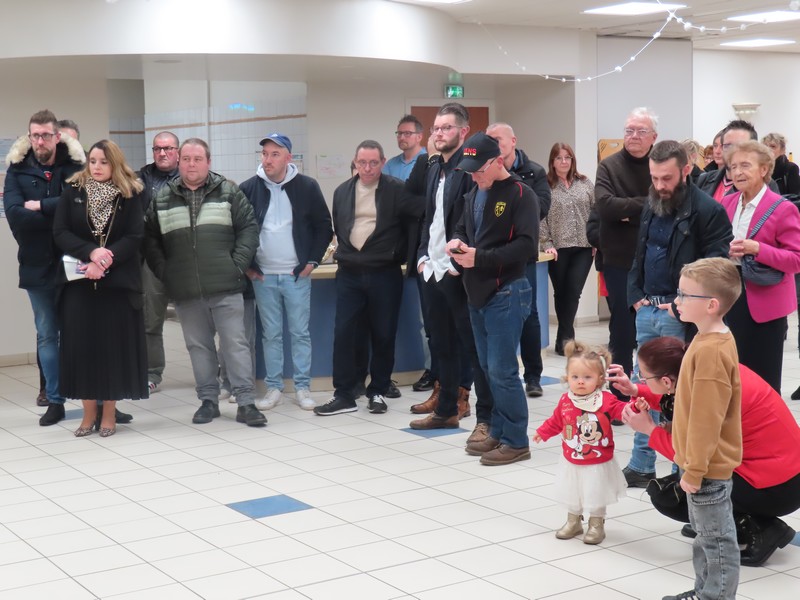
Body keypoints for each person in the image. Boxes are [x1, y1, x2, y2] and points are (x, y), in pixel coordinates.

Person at [611, 336, 800, 567]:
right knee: (680, 488)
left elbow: (693, 457)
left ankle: (763, 529)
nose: (641, 379)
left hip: (775, 488)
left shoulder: (707, 396)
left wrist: (650, 430)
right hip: (784, 476)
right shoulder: (710, 372)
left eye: (643, 376)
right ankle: (723, 523)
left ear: (666, 380)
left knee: (671, 497)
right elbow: (676, 397)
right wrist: (635, 390)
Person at [624, 140, 732, 487]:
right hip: (647, 308)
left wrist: (680, 305)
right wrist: (635, 296)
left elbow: (717, 269)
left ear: (686, 170)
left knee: (678, 395)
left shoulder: (708, 211)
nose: (659, 185)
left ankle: (679, 468)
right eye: (654, 177)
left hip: (679, 313)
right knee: (644, 388)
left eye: (667, 178)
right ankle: (641, 465)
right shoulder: (651, 202)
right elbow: (640, 253)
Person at [143, 138, 266, 427]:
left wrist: (236, 266)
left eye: (197, 159)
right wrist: (166, 271)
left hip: (226, 285)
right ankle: (208, 401)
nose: (191, 164)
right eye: (186, 159)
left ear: (208, 162)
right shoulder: (163, 199)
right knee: (198, 347)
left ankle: (246, 402)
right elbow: (150, 239)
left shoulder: (229, 192)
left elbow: (249, 228)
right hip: (186, 289)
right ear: (179, 162)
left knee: (235, 345)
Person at [444, 131, 538, 465]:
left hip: (507, 291)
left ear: (497, 161)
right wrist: (457, 243)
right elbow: (461, 228)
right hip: (477, 293)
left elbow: (527, 246)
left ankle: (516, 441)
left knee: (503, 370)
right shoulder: (474, 192)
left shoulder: (520, 194)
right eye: (469, 172)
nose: (474, 177)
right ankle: (498, 431)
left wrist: (479, 257)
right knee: (486, 369)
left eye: (479, 170)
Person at [314, 140, 423, 416]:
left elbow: (414, 222)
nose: (367, 168)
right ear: (355, 162)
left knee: (384, 333)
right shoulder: (342, 192)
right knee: (344, 334)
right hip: (349, 273)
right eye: (362, 162)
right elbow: (340, 227)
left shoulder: (397, 189)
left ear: (383, 163)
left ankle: (378, 391)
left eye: (374, 163)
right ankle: (344, 394)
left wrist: (403, 255)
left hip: (384, 272)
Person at [53, 140, 148, 437]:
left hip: (117, 287)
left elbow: (134, 237)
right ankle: (88, 414)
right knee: (82, 349)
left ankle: (108, 414)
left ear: (115, 164)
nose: (96, 167)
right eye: (92, 161)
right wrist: (91, 253)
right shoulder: (73, 191)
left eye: (103, 162)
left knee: (112, 351)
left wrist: (105, 261)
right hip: (79, 286)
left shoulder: (130, 193)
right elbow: (60, 232)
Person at [407, 102, 490, 435]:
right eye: (436, 128)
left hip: (458, 272)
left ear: (463, 131)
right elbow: (429, 219)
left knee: (471, 346)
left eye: (446, 128)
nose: (439, 134)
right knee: (440, 343)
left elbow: (472, 224)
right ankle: (445, 410)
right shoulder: (433, 169)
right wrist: (422, 257)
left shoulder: (469, 171)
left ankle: (485, 419)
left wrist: (456, 261)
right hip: (432, 269)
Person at [663, 257, 743, 600]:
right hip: (699, 463)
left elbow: (706, 419)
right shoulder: (708, 336)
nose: (677, 300)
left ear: (711, 305)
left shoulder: (711, 351)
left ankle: (716, 596)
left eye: (685, 295)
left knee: (716, 541)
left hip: (707, 467)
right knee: (704, 536)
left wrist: (694, 469)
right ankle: (704, 591)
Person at [240, 133, 332, 411]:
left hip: (296, 275)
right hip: (263, 276)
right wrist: (247, 265)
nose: (267, 160)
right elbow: (237, 229)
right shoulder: (249, 188)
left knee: (300, 333)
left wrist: (312, 261)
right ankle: (274, 387)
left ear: (288, 158)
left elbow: (324, 226)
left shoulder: (307, 187)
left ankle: (302, 387)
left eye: (274, 154)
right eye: (265, 154)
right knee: (271, 335)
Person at [3, 110, 85, 425]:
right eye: (35, 135)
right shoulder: (18, 169)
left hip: (74, 263)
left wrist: (40, 206)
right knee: (48, 335)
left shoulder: (75, 167)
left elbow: (81, 208)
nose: (40, 141)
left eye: (46, 135)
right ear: (30, 136)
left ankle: (100, 400)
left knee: (84, 332)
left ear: (56, 136)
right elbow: (15, 214)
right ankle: (55, 401)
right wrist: (58, 216)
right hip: (36, 264)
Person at [722, 140, 800, 393]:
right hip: (730, 296)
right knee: (735, 375)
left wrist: (757, 249)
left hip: (765, 303)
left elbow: (796, 259)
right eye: (733, 167)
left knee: (763, 380)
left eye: (745, 165)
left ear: (764, 169)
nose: (738, 172)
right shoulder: (727, 203)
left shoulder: (783, 208)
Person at [533, 342, 628, 545]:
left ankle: (596, 523)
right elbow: (556, 421)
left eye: (587, 377)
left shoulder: (605, 399)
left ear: (600, 379)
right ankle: (573, 520)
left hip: (598, 461)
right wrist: (543, 432)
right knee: (572, 490)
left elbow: (622, 411)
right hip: (572, 459)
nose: (580, 382)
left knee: (596, 491)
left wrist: (636, 407)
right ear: (567, 377)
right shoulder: (565, 400)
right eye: (575, 377)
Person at [594, 107, 658, 393]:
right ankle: (619, 392)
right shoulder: (609, 166)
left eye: (641, 131)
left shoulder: (661, 165)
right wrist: (647, 205)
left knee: (655, 326)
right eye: (629, 130)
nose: (634, 136)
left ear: (654, 136)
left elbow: (670, 203)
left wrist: (627, 212)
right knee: (622, 327)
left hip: (656, 258)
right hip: (619, 259)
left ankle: (652, 389)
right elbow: (605, 207)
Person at [485, 122, 550, 398]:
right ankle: (501, 374)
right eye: (489, 140)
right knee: (497, 313)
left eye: (497, 139)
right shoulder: (484, 170)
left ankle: (533, 376)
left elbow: (541, 207)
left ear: (513, 141)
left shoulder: (534, 171)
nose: (493, 144)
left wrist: (511, 185)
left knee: (528, 315)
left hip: (522, 255)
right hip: (492, 255)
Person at [539, 142, 594, 355]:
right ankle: (565, 340)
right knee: (561, 293)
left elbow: (596, 211)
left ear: (573, 160)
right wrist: (546, 244)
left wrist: (596, 239)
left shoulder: (584, 183)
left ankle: (566, 340)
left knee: (573, 292)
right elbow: (540, 217)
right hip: (557, 249)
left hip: (584, 246)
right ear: (552, 162)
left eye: (567, 157)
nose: (564, 161)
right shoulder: (545, 185)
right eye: (559, 158)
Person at [137, 131, 180, 394]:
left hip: (185, 259)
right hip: (152, 259)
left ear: (177, 151)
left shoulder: (190, 177)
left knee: (200, 321)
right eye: (157, 149)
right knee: (150, 319)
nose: (162, 153)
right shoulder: (139, 180)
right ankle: (152, 373)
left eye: (168, 148)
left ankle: (211, 372)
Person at [383, 114, 426, 181]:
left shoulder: (429, 162)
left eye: (407, 133)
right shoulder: (391, 164)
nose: (402, 138)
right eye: (399, 133)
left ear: (419, 137)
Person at [762, 132, 800, 197]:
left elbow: (795, 198)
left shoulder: (791, 168)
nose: (768, 149)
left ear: (783, 150)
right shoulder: (759, 170)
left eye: (773, 146)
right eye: (765, 146)